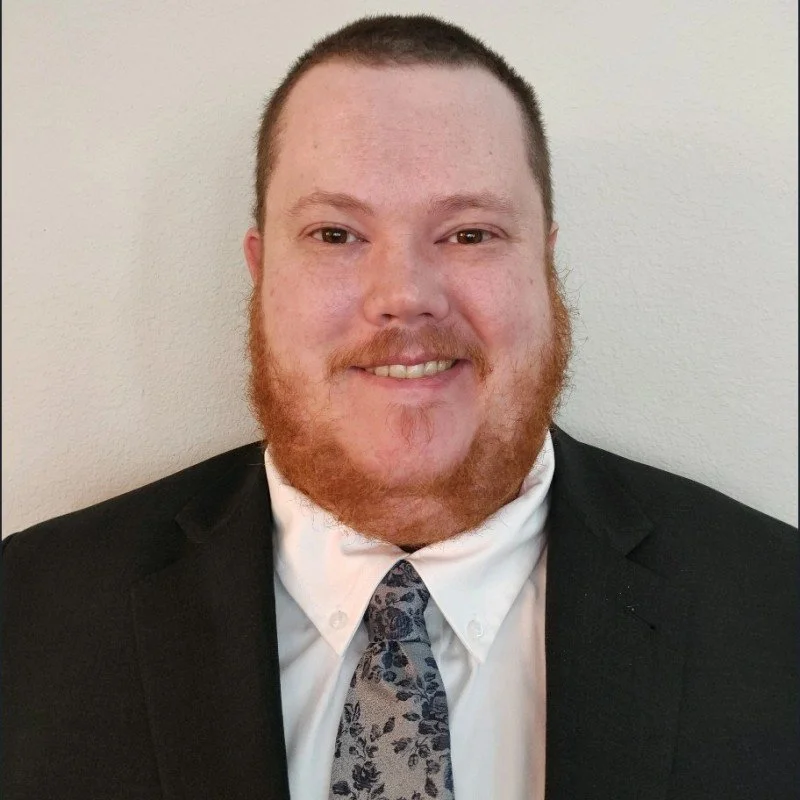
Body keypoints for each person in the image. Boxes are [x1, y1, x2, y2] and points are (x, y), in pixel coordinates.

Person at [2, 14, 796, 800]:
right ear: (261, 270)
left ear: (544, 263)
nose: (405, 295)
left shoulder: (778, 615)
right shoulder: (27, 618)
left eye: (470, 234)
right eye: (335, 234)